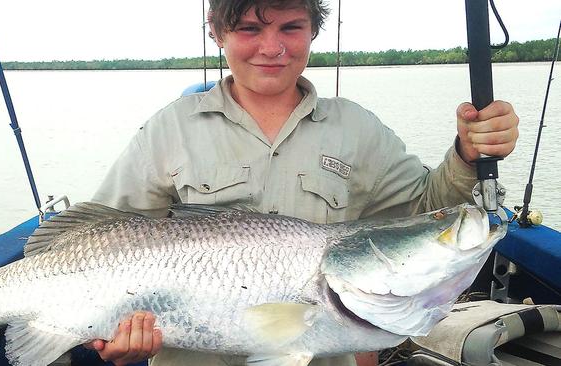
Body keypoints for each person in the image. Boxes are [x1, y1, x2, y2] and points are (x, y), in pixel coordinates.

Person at [86, 0, 520, 365]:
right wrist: (103, 332)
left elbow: (425, 210)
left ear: (314, 31)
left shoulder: (358, 129)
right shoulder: (169, 128)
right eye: (249, 28)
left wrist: (466, 154)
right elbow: (97, 236)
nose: (271, 47)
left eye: (291, 28)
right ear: (217, 32)